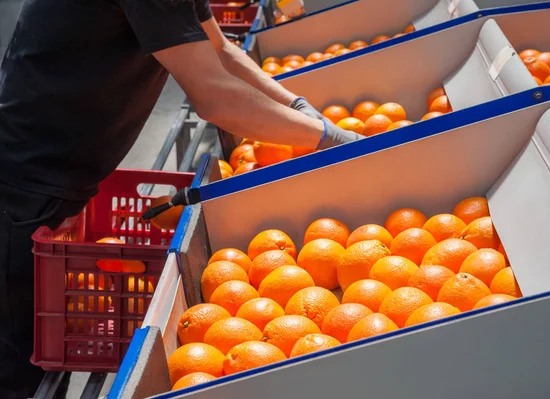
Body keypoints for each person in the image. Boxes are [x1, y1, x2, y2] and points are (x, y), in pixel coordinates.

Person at [0, 0, 363, 397]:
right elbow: (213, 96)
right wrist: (327, 138)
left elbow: (221, 52)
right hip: (24, 181)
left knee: (43, 347)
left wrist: (296, 107)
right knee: (23, 361)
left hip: (52, 178)